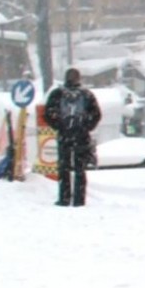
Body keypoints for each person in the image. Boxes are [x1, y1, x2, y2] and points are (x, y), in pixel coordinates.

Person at [44, 68, 102, 207]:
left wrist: (59, 126)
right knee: (79, 169)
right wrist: (85, 127)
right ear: (79, 78)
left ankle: (64, 199)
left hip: (64, 135)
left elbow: (47, 113)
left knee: (63, 168)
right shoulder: (87, 95)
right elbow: (96, 114)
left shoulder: (57, 93)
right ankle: (79, 200)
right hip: (81, 136)